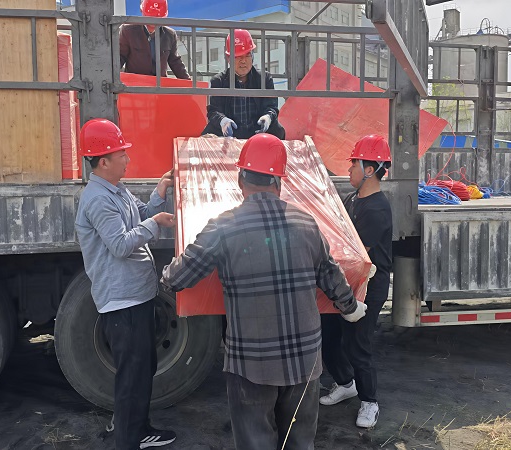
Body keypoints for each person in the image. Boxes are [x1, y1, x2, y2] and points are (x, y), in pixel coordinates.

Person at [161, 133, 366, 450]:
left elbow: (178, 278)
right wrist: (351, 308)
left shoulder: (223, 227)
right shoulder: (307, 223)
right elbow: (331, 275)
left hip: (251, 364)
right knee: (299, 444)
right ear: (279, 183)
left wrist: (165, 273)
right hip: (304, 362)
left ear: (240, 180)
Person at [75, 118, 177, 450]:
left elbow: (140, 215)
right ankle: (128, 441)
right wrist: (155, 223)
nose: (127, 159)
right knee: (132, 375)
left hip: (136, 297)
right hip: (123, 303)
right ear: (103, 161)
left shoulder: (116, 189)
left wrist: (159, 193)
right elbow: (120, 244)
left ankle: (138, 429)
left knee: (142, 369)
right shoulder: (98, 199)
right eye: (121, 154)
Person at [319, 134, 393, 429]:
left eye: (354, 165)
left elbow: (357, 256)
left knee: (356, 344)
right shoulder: (352, 200)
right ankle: (345, 383)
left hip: (368, 285)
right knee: (328, 337)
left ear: (370, 170)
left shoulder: (377, 209)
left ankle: (369, 401)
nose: (349, 169)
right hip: (346, 282)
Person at [201, 29, 286, 139]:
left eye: (247, 55)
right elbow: (213, 111)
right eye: (238, 56)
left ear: (252, 56)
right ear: (228, 58)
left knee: (277, 131)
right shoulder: (218, 81)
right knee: (207, 137)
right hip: (230, 134)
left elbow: (272, 107)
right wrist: (223, 121)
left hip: (257, 132)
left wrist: (267, 117)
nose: (243, 61)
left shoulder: (264, 79)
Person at [119, 0, 190, 79]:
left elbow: (175, 62)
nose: (154, 21)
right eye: (151, 17)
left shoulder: (170, 34)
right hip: (135, 83)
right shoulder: (128, 31)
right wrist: (111, 79)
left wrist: (189, 83)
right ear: (142, 11)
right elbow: (120, 57)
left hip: (159, 84)